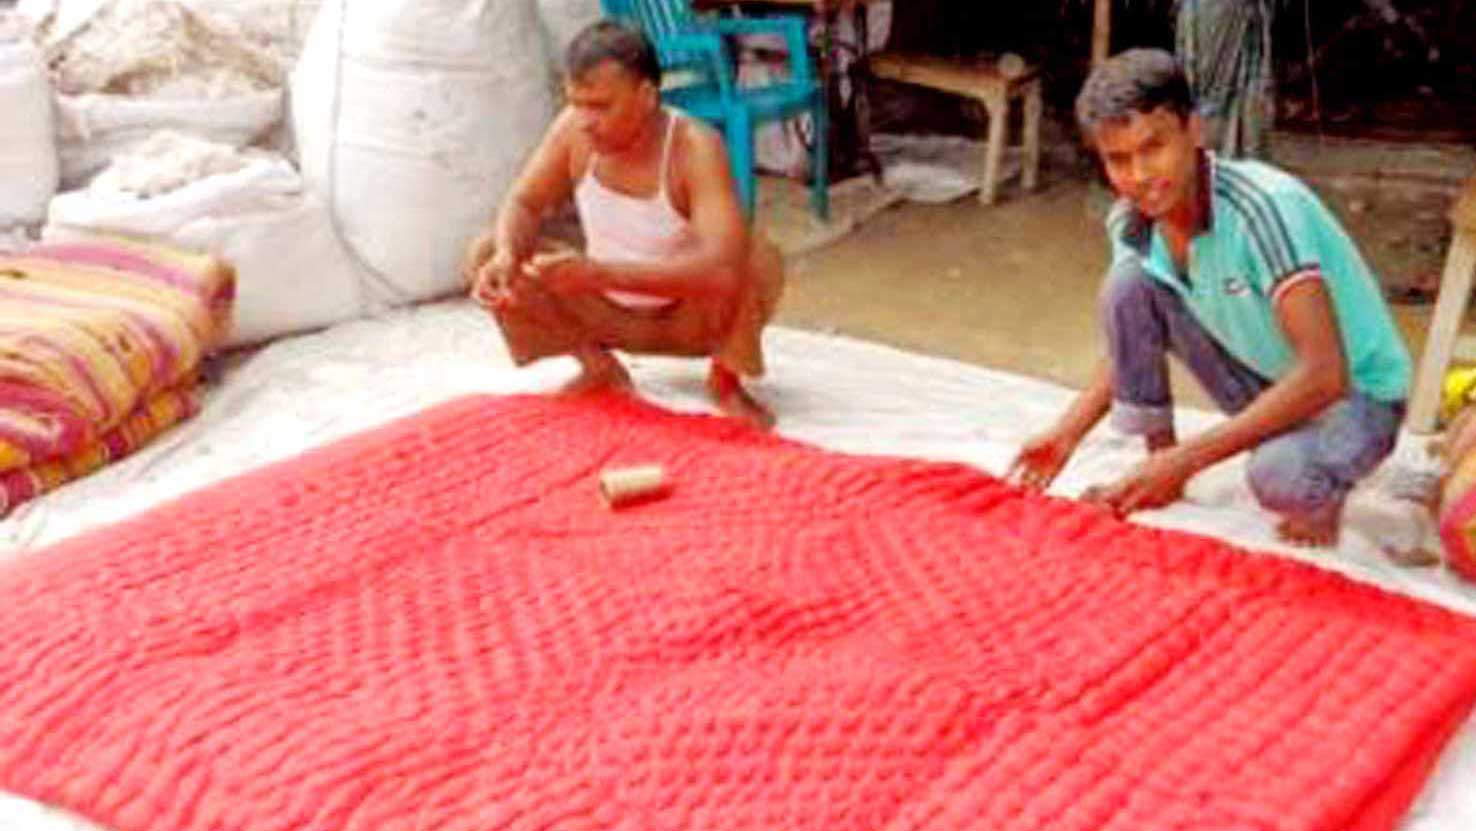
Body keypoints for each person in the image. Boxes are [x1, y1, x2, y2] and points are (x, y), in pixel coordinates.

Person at [1009, 48, 1411, 547]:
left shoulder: (1264, 208)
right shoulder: (1132, 221)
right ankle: (1160, 463)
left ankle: (1321, 488)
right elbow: (1130, 337)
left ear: (1195, 130)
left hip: (1355, 396)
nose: (1139, 175)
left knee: (1280, 478)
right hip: (1269, 380)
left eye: (1153, 147)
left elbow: (1327, 375)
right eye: (1118, 159)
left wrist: (1191, 458)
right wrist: (1067, 433)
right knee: (1127, 286)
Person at [463, 20, 783, 430]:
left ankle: (725, 381)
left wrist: (597, 274)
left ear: (647, 96)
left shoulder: (694, 146)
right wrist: (508, 254)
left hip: (689, 319)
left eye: (599, 106)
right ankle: (599, 368)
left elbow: (720, 270)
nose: (584, 119)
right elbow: (524, 202)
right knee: (488, 250)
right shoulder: (571, 130)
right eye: (576, 103)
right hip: (604, 312)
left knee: (751, 257)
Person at [1175, 0, 1276, 158]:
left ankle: (1238, 157)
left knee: (1246, 89)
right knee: (1207, 92)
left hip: (1238, 17)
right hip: (1210, 15)